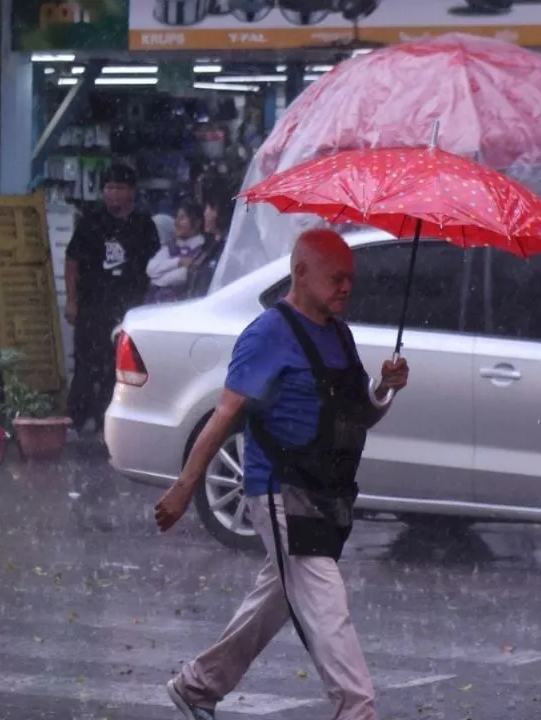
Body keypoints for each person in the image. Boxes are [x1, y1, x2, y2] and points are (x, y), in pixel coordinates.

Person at [154, 228, 410, 720]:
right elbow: (225, 413)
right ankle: (357, 710)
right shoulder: (267, 334)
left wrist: (386, 388)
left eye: (349, 280)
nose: (345, 289)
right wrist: (185, 488)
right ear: (301, 273)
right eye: (336, 279)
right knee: (327, 607)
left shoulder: (339, 333)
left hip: (326, 493)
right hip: (279, 491)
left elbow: (359, 413)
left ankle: (196, 686)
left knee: (275, 597)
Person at [64, 163, 160, 437]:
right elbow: (72, 261)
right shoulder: (91, 222)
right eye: (108, 188)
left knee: (118, 367)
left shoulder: (143, 225)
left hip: (128, 307)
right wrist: (72, 300)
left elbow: (155, 266)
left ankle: (111, 423)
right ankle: (77, 419)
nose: (112, 194)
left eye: (118, 188)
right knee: (85, 363)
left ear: (131, 191)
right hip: (92, 304)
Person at [145, 200, 206, 304]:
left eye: (182, 218)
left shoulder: (202, 249)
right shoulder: (172, 247)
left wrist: (156, 280)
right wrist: (178, 262)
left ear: (197, 223)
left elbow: (183, 276)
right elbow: (150, 269)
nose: (176, 222)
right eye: (176, 217)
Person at [186, 187, 233, 299]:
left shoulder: (231, 250)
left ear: (220, 212)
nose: (205, 213)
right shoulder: (208, 244)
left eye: (209, 208)